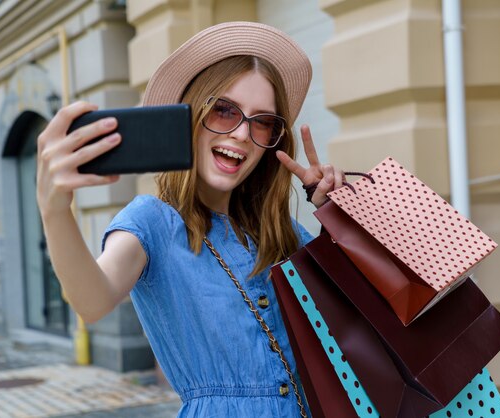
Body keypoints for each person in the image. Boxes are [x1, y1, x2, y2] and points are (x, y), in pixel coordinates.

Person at [37, 21, 345, 418]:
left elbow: (351, 319)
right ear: (191, 116)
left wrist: (337, 213)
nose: (240, 134)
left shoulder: (280, 233)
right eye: (223, 111)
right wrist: (54, 209)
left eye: (262, 121)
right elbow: (91, 300)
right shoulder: (153, 224)